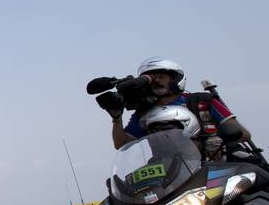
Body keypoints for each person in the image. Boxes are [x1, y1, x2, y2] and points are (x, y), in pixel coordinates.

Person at [108, 57, 251, 151]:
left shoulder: (202, 101)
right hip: (173, 174)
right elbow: (122, 144)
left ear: (174, 79)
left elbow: (243, 134)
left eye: (161, 76)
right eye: (151, 79)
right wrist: (116, 118)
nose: (156, 81)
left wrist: (211, 141)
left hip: (215, 165)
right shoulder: (144, 113)